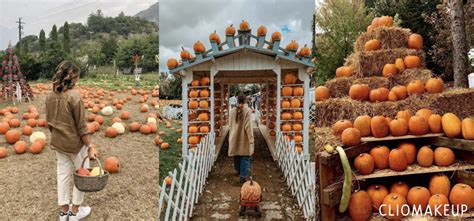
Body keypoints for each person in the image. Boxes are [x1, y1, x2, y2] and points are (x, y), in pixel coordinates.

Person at [45, 61, 99, 221]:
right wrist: (90, 145)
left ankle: (63, 212)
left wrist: (57, 135)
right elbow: (82, 127)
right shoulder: (75, 96)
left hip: (58, 143)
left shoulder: (50, 96)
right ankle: (75, 211)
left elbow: (49, 122)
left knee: (62, 174)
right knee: (82, 174)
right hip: (75, 145)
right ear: (73, 77)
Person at [228, 94, 254, 183]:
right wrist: (251, 139)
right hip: (244, 136)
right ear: (246, 101)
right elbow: (248, 126)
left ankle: (238, 171)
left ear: (237, 100)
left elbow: (230, 124)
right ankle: (242, 176)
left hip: (234, 135)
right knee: (245, 156)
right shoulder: (247, 111)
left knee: (237, 154)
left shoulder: (232, 111)